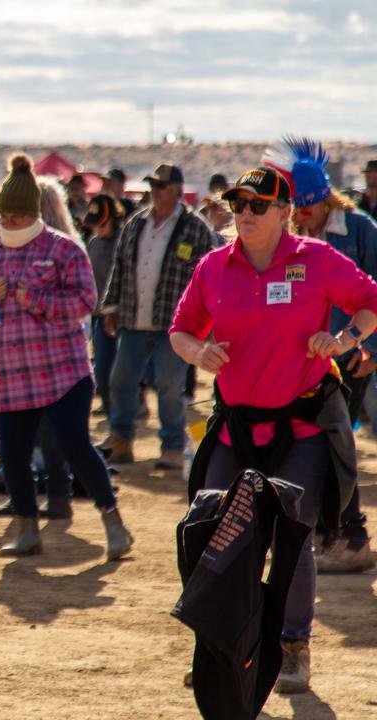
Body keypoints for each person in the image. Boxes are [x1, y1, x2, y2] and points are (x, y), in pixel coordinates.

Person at [169, 165, 377, 695]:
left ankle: (291, 648)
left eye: (258, 205)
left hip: (302, 425)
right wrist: (200, 351)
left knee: (293, 534)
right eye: (239, 204)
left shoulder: (318, 260)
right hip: (237, 425)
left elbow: (370, 301)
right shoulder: (214, 267)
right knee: (210, 529)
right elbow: (182, 329)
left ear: (286, 213)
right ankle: (220, 646)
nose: (245, 214)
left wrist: (347, 337)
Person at [0, 156, 133, 558]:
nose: (8, 223)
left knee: (76, 445)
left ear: (32, 214)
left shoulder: (63, 249)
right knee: (11, 453)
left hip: (63, 372)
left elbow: (86, 301)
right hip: (11, 374)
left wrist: (36, 300)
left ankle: (113, 522)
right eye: (3, 217)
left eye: (16, 216)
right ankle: (28, 529)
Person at [266, 137, 377, 573]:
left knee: (335, 445)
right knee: (304, 446)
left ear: (322, 200)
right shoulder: (291, 237)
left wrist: (368, 349)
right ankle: (319, 534)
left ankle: (350, 537)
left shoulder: (362, 231)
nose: (299, 218)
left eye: (306, 209)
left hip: (349, 358)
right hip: (299, 365)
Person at [100, 164, 220, 470]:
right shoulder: (135, 224)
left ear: (179, 190)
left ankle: (172, 447)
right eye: (153, 185)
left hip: (175, 325)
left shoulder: (196, 228)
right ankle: (121, 440)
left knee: (168, 384)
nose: (156, 191)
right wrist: (111, 307)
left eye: (162, 186)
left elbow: (208, 278)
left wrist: (207, 321)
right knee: (120, 380)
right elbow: (121, 267)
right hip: (134, 319)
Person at [84, 194, 126, 414]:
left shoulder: (125, 240)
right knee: (101, 369)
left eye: (103, 223)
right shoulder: (93, 243)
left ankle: (128, 409)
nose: (99, 229)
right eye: (95, 224)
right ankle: (112, 413)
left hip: (124, 316)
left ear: (114, 219)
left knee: (122, 372)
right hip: (100, 315)